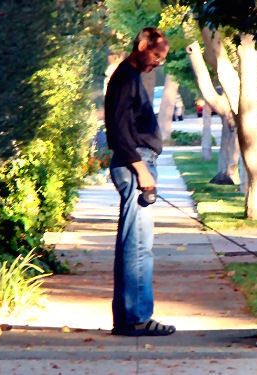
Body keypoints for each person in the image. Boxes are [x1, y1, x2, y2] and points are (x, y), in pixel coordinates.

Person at [104, 27, 175, 336]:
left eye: (163, 58)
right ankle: (137, 318)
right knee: (139, 246)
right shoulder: (124, 79)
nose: (158, 61)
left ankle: (128, 318)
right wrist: (141, 170)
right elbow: (117, 131)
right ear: (142, 45)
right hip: (136, 167)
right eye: (156, 54)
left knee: (133, 243)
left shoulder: (129, 78)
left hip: (138, 165)